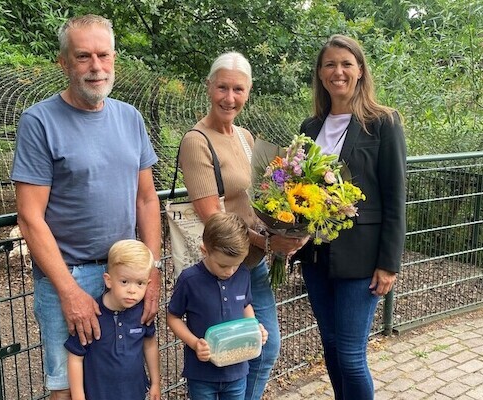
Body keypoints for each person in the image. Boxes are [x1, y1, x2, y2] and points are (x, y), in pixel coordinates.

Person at [10, 14, 162, 400]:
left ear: (114, 59)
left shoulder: (130, 118)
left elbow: (146, 199)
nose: (96, 67)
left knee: (123, 378)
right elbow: (30, 217)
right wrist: (68, 291)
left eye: (103, 55)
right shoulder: (40, 122)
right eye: (83, 57)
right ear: (63, 62)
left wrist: (152, 271)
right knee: (67, 387)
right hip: (69, 275)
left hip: (125, 276)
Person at [178, 51, 308, 400]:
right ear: (209, 87)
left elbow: (261, 198)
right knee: (225, 353)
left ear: (248, 92)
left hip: (252, 265)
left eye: (238, 89)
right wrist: (271, 245)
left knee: (264, 349)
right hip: (221, 267)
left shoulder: (245, 137)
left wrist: (290, 225)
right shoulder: (196, 141)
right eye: (222, 87)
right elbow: (213, 218)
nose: (229, 98)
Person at [295, 34, 407, 400]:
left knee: (350, 354)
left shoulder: (383, 123)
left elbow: (395, 198)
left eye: (346, 63)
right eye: (329, 64)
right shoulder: (309, 128)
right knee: (330, 346)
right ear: (320, 73)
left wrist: (389, 264)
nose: (337, 71)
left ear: (360, 70)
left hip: (362, 259)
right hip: (316, 256)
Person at [167, 212, 268, 399]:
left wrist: (254, 329)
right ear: (204, 250)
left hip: (237, 371)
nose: (229, 272)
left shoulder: (243, 274)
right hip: (202, 373)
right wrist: (195, 343)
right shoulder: (190, 280)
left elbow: (246, 305)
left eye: (235, 265)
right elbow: (173, 317)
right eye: (222, 265)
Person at [64, 240, 161, 400]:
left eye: (140, 283)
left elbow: (150, 345)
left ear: (148, 284)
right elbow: (75, 357)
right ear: (108, 280)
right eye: (124, 282)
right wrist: (78, 396)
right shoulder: (91, 315)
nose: (132, 290)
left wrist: (155, 382)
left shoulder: (142, 313)